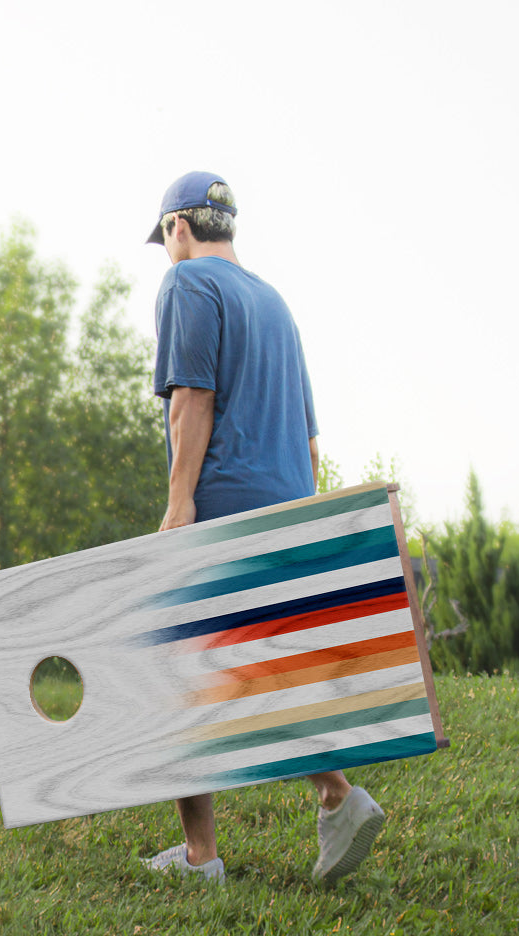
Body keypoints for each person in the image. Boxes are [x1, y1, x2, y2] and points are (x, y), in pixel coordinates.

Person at [141, 171, 385, 886]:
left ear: (179, 227)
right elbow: (310, 439)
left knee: (182, 672)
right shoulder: (276, 304)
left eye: (162, 236)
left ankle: (200, 857)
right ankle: (338, 796)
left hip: (223, 495)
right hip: (288, 498)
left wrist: (180, 501)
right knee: (262, 667)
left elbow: (193, 398)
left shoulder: (189, 284)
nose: (164, 249)